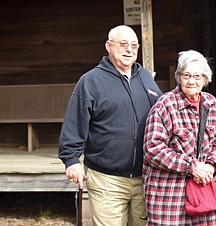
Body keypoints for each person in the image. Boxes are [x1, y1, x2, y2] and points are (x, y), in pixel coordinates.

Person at [58, 25, 163, 226]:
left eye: (134, 45)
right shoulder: (91, 81)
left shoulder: (146, 79)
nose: (129, 50)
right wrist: (71, 159)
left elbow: (164, 118)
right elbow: (74, 122)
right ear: (108, 46)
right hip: (107, 178)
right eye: (123, 44)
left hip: (146, 177)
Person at [143, 50, 216, 225]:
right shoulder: (165, 105)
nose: (191, 81)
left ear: (205, 79)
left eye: (197, 76)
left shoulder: (211, 104)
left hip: (203, 193)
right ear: (179, 77)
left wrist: (210, 167)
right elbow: (153, 148)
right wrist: (191, 166)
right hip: (170, 198)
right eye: (186, 75)